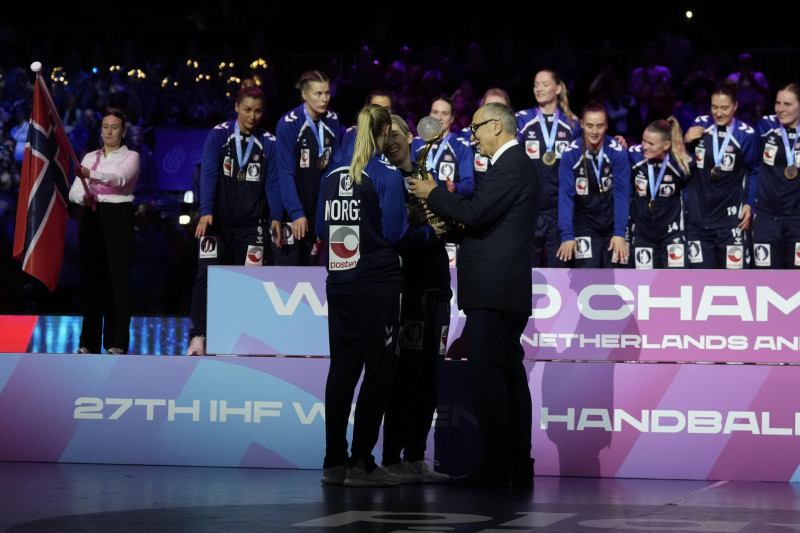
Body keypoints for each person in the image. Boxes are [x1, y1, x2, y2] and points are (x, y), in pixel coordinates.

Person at [408, 102, 541, 488]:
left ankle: (499, 464)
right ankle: (515, 462)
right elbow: (487, 221)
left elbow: (478, 212)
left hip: (494, 289)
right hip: (501, 288)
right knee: (508, 375)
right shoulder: (513, 166)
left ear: (497, 126)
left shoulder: (512, 164)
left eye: (477, 128)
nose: (473, 137)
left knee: (490, 378)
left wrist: (433, 193)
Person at [316, 104, 440, 488]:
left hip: (339, 285)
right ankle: (361, 464)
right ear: (386, 131)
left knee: (341, 371)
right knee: (380, 372)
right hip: (378, 286)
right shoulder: (384, 174)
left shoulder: (332, 174)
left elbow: (323, 227)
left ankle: (334, 463)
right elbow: (396, 233)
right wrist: (432, 233)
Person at [186, 81, 282, 356]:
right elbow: (209, 174)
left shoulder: (269, 142)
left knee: (250, 282)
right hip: (217, 225)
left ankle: (244, 338)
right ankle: (199, 337)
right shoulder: (219, 135)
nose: (253, 116)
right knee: (205, 277)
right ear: (236, 107)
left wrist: (275, 216)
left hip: (253, 227)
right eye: (248, 110)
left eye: (258, 111)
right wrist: (206, 211)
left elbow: (272, 183)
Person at [380, 114, 451, 484]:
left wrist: (443, 207)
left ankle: (416, 457)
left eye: (396, 134)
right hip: (409, 291)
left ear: (411, 136)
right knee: (405, 376)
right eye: (384, 136)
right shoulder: (386, 181)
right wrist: (426, 226)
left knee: (431, 376)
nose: (391, 141)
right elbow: (396, 235)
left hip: (438, 286)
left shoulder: (428, 175)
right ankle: (392, 459)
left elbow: (448, 226)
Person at [68, 109, 140, 354]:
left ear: (123, 132)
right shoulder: (89, 157)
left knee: (116, 281)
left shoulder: (131, 156)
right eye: (105, 127)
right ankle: (88, 341)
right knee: (90, 280)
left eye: (114, 127)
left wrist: (92, 176)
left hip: (118, 216)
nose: (109, 131)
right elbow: (73, 192)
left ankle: (116, 341)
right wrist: (85, 195)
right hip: (92, 216)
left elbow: (120, 179)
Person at [683, 83, 758, 269]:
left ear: (735, 106)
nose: (718, 113)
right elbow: (684, 164)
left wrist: (749, 204)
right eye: (714, 107)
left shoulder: (745, 135)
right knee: (699, 282)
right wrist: (685, 142)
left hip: (731, 221)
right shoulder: (700, 125)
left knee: (736, 281)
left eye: (724, 108)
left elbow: (755, 171)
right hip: (698, 221)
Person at [275, 70, 340, 266]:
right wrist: (296, 213)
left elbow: (335, 166)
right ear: (304, 94)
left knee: (315, 272)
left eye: (327, 93)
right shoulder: (288, 124)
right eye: (318, 94)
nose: (324, 99)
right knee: (290, 275)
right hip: (293, 212)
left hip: (319, 212)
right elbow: (285, 173)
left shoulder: (333, 120)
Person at [516, 70, 581, 267]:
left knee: (560, 273)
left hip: (559, 211)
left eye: (545, 84)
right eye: (536, 84)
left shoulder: (572, 124)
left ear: (558, 88)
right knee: (526, 272)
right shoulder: (522, 120)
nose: (539, 89)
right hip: (529, 209)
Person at [556, 102, 631, 267]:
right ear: (582, 124)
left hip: (613, 223)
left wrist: (619, 232)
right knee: (587, 276)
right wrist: (567, 234)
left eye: (599, 126)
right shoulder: (571, 154)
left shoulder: (617, 152)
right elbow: (566, 196)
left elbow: (622, 194)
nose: (594, 132)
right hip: (585, 224)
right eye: (590, 126)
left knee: (617, 278)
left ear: (606, 126)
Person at [628, 118, 693, 268]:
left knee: (676, 286)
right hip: (642, 236)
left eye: (650, 143)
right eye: (643, 141)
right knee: (643, 287)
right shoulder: (634, 157)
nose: (644, 146)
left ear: (666, 145)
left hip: (672, 235)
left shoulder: (682, 163)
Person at [752, 83, 800, 268]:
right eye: (778, 103)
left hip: (797, 218)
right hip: (766, 218)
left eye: (787, 104)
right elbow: (752, 165)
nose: (781, 109)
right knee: (765, 277)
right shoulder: (765, 126)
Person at [410, 97, 475, 198]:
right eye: (435, 112)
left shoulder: (461, 146)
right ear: (429, 114)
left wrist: (455, 187)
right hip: (420, 207)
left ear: (452, 118)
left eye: (445, 113)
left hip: (448, 206)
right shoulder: (416, 143)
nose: (438, 118)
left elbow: (469, 185)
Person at [336, 88, 393, 166]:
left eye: (386, 109)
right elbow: (346, 166)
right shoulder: (353, 134)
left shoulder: (397, 134)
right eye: (377, 108)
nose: (382, 113)